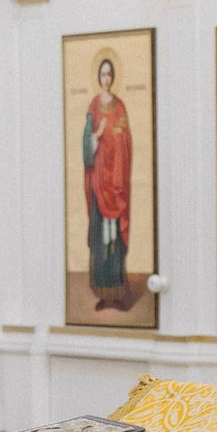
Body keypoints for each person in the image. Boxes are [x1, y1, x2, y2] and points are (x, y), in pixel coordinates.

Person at [81, 54, 135, 308]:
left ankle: (118, 291)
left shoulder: (120, 106)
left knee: (115, 241)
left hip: (116, 183)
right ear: (98, 77)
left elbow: (126, 141)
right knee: (102, 238)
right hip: (99, 183)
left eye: (110, 74)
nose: (106, 79)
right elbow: (86, 145)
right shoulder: (93, 106)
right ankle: (103, 294)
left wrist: (116, 138)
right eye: (103, 74)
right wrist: (98, 134)